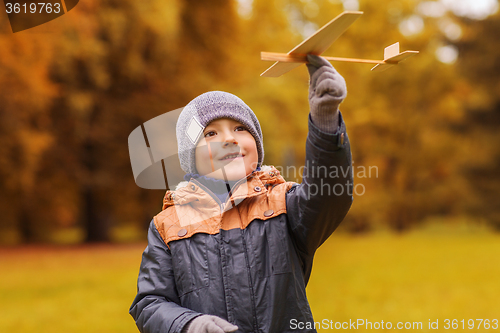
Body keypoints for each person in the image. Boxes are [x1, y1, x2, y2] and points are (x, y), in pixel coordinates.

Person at [129, 55, 353, 333]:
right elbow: (149, 302)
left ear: (256, 146)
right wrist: (188, 325)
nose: (230, 138)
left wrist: (326, 122)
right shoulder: (168, 225)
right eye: (210, 134)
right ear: (191, 158)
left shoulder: (284, 203)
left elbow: (329, 196)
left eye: (240, 128)